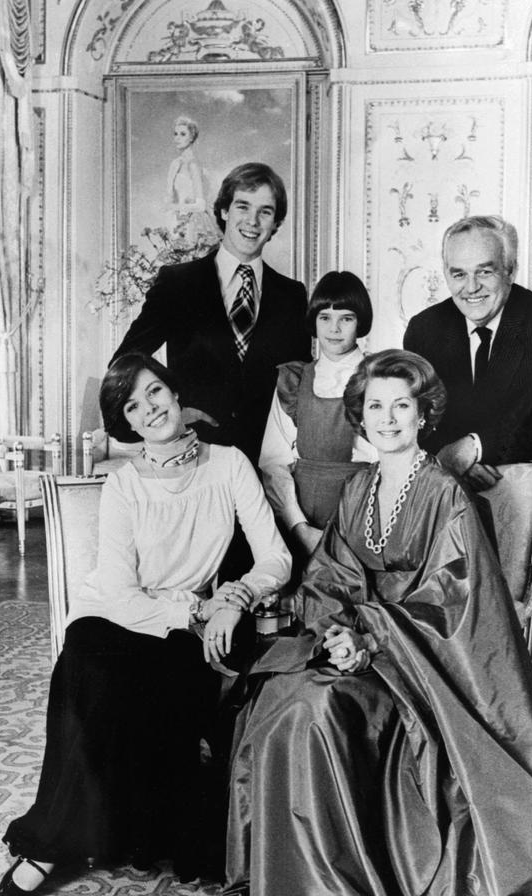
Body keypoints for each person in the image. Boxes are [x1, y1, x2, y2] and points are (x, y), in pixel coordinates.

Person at [225, 349, 532, 896]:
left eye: (401, 405)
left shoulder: (446, 494)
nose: (387, 418)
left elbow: (453, 599)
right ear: (359, 414)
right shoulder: (358, 490)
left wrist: (372, 633)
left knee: (321, 713)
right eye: (376, 405)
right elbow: (329, 578)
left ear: (423, 414)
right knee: (280, 696)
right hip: (362, 651)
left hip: (423, 668)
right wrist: (337, 632)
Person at [0, 354, 291, 896]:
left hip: (191, 626)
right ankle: (50, 846)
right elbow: (118, 592)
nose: (150, 408)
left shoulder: (229, 465)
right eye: (134, 404)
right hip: (123, 617)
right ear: (126, 422)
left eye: (155, 392)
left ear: (176, 395)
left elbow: (274, 556)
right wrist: (194, 615)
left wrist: (235, 597)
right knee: (86, 655)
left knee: (147, 681)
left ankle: (90, 835)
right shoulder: (124, 486)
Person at [111, 161, 310, 466]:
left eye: (265, 212)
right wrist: (169, 418)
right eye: (243, 206)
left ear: (275, 224)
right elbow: (123, 366)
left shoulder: (293, 296)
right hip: (193, 462)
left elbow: (299, 387)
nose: (253, 221)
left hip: (268, 468)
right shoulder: (178, 284)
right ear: (224, 211)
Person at [403, 215, 532, 543]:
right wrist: (449, 458)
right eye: (459, 274)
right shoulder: (425, 329)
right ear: (446, 273)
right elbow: (417, 416)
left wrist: (473, 447)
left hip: (525, 485)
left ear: (510, 269)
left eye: (484, 271)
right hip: (445, 479)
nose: (471, 287)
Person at [259, 271, 377, 562]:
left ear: (360, 322)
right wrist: (298, 527)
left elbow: (388, 464)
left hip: (361, 520)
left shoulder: (380, 378)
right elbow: (273, 463)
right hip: (301, 521)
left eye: (346, 318)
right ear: (313, 322)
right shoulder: (295, 380)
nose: (334, 328)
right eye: (325, 317)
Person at [165, 115, 221, 250]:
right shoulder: (175, 164)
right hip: (176, 221)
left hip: (194, 222)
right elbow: (169, 196)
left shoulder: (194, 165)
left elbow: (201, 205)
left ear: (192, 138)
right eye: (175, 134)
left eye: (183, 134)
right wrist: (172, 212)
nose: (177, 138)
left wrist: (175, 207)